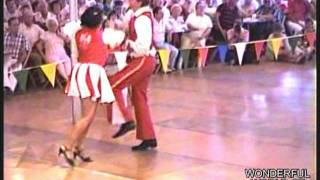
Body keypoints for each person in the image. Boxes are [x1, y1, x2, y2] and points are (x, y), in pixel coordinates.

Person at [59, 6, 115, 167]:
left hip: (82, 69)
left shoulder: (78, 33)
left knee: (88, 116)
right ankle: (67, 147)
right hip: (92, 71)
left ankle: (78, 147)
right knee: (88, 116)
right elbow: (113, 44)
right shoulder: (101, 35)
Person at [107, 0, 158, 151]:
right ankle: (148, 137)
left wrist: (128, 43)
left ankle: (127, 120)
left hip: (142, 59)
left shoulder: (142, 19)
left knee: (113, 85)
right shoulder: (137, 15)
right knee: (138, 97)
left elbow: (142, 47)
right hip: (142, 59)